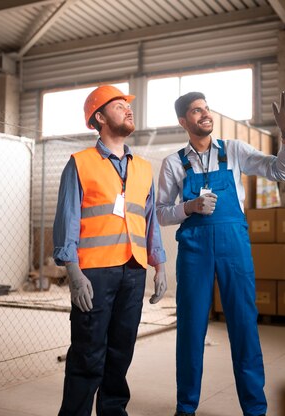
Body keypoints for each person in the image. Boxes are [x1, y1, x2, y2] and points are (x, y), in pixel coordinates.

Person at [156, 91, 285, 416]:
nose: (205, 114)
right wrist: (188, 207)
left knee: (244, 325)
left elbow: (280, 172)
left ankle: (255, 409)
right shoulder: (174, 163)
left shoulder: (233, 151)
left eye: (206, 108)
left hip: (234, 248)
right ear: (183, 121)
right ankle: (186, 407)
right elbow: (161, 213)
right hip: (194, 251)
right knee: (190, 328)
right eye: (196, 111)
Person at [53, 85, 168, 416]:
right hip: (94, 273)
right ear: (99, 118)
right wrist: (72, 271)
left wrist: (159, 265)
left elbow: (149, 221)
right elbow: (67, 220)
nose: (128, 109)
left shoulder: (143, 168)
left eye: (128, 105)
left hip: (133, 270)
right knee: (88, 355)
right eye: (118, 106)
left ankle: (113, 412)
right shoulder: (80, 164)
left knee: (120, 354)